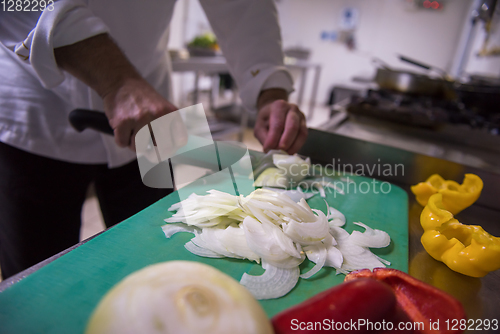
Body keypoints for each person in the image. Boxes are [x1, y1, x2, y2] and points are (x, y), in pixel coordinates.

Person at [0, 0, 308, 279]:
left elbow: (242, 7)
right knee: (40, 276)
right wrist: (116, 80)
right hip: (35, 110)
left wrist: (269, 87)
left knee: (164, 251)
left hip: (154, 107)